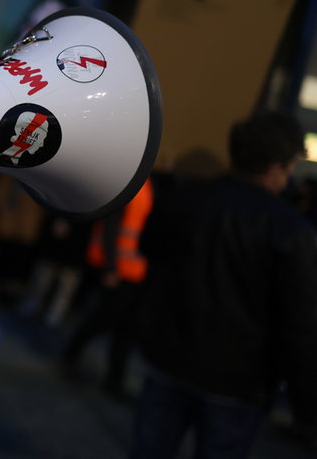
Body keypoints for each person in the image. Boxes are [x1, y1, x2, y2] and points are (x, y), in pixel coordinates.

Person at [131, 112, 317, 458]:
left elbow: (149, 250)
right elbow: (299, 324)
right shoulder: (290, 231)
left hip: (169, 358)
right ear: (277, 167)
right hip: (239, 382)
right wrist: (306, 403)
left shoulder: (187, 199)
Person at [58, 177, 153, 398]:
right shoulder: (130, 182)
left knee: (126, 327)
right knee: (104, 319)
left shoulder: (145, 184)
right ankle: (70, 356)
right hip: (120, 268)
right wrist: (110, 267)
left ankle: (114, 379)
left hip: (135, 270)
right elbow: (112, 226)